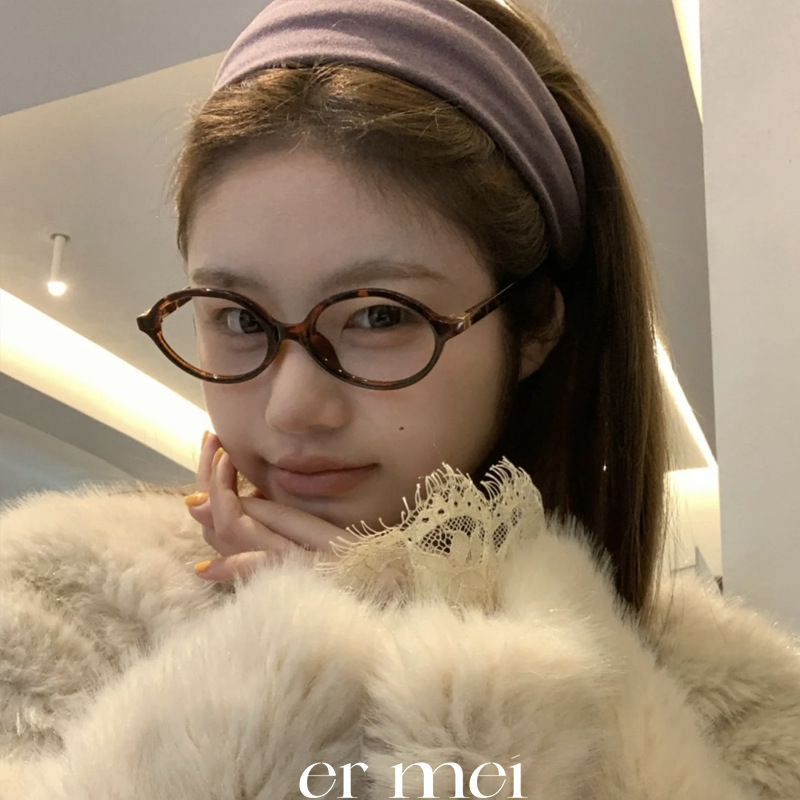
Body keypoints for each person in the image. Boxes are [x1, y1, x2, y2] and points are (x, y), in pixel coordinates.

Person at [0, 0, 798, 797]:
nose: (290, 409)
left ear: (533, 328)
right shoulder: (48, 608)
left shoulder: (749, 715)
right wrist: (293, 664)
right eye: (239, 318)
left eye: (380, 315)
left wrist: (447, 659)